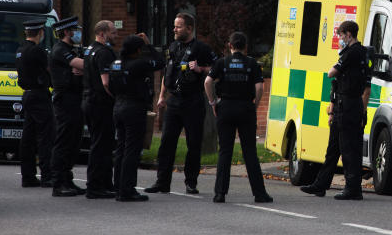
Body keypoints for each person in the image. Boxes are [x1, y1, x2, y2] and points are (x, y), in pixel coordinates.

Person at [146, 13, 216, 195]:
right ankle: (162, 182)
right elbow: (167, 74)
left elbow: (216, 69)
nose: (174, 29)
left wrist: (201, 69)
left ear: (189, 28)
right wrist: (162, 96)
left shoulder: (201, 48)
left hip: (193, 100)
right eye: (174, 26)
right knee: (166, 142)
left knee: (193, 144)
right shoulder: (173, 47)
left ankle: (191, 182)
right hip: (174, 101)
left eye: (178, 26)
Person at [300, 20, 371, 200]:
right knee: (333, 149)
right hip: (344, 105)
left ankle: (353, 188)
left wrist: (360, 112)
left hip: (348, 106)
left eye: (340, 35)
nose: (340, 38)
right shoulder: (363, 53)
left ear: (348, 34)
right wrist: (333, 109)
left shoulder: (351, 53)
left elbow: (332, 73)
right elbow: (341, 84)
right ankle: (320, 185)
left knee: (348, 149)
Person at [204, 32, 273, 204]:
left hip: (225, 107)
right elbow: (259, 88)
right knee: (250, 152)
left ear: (230, 45)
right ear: (246, 46)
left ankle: (220, 193)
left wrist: (213, 102)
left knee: (225, 152)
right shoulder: (252, 64)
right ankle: (259, 194)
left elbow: (207, 82)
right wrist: (254, 106)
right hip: (245, 108)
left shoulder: (222, 63)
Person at [109, 34, 165, 202]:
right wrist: (149, 46)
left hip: (118, 105)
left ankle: (118, 186)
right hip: (134, 108)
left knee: (121, 147)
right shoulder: (138, 64)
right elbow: (160, 62)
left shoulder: (115, 64)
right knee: (132, 150)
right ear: (138, 50)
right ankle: (127, 189)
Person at [49, 16, 86, 197]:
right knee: (64, 140)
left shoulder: (73, 49)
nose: (78, 33)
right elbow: (81, 65)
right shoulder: (60, 50)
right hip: (65, 99)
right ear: (66, 32)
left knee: (74, 141)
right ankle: (58, 182)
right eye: (75, 30)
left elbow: (82, 66)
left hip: (76, 99)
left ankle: (68, 178)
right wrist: (86, 66)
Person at [15, 19, 54, 188]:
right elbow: (49, 68)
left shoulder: (20, 50)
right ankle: (47, 175)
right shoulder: (37, 51)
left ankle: (28, 175)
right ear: (40, 33)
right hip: (39, 95)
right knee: (46, 136)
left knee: (28, 137)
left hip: (27, 94)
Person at [82, 20, 119, 199]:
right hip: (100, 103)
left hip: (90, 100)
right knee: (101, 145)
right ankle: (95, 186)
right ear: (103, 33)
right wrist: (116, 96)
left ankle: (104, 183)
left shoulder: (89, 50)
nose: (116, 35)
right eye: (113, 32)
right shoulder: (104, 52)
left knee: (101, 143)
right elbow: (106, 82)